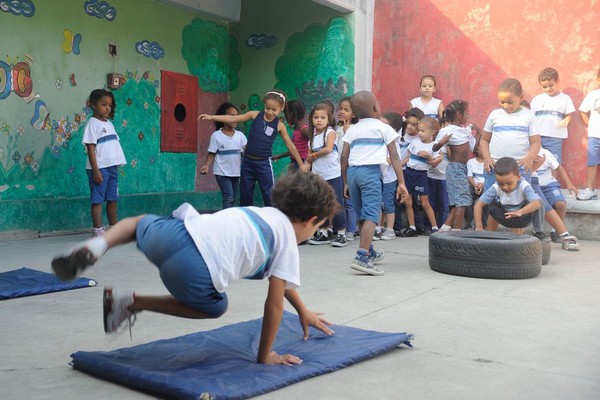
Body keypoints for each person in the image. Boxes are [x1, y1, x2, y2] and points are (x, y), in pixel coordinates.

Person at [51, 171, 338, 365]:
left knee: (137, 223)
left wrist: (303, 310)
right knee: (216, 306)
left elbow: (283, 283)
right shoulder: (287, 238)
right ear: (311, 220)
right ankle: (131, 303)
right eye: (319, 227)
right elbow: (274, 303)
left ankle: (96, 247)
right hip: (194, 271)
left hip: (178, 234)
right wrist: (266, 356)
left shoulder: (262, 213)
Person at [199, 90, 308, 207]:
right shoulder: (254, 115)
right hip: (248, 163)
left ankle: (271, 221)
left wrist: (301, 164)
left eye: (274, 110)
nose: (270, 112)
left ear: (281, 108)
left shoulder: (279, 125)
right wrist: (212, 117)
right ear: (264, 104)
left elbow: (291, 146)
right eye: (267, 108)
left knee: (269, 195)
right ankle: (246, 221)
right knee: (245, 196)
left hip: (264, 163)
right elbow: (233, 119)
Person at [340, 91, 408, 276]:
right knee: (372, 214)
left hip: (353, 173)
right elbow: (394, 156)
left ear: (353, 113)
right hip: (370, 173)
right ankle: (361, 257)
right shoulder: (383, 128)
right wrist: (401, 182)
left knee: (363, 214)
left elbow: (344, 157)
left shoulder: (352, 129)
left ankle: (369, 251)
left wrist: (345, 182)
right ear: (376, 108)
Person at [82, 89, 127, 237]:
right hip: (99, 169)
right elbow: (91, 147)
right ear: (93, 105)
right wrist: (96, 170)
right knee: (98, 200)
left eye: (110, 105)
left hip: (112, 168)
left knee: (112, 199)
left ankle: (114, 227)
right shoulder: (92, 124)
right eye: (103, 104)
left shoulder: (109, 124)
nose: (107, 107)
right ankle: (98, 230)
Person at [305, 103, 348, 247]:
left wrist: (313, 155)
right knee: (321, 204)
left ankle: (341, 233)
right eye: (316, 117)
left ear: (328, 119)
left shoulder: (330, 133)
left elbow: (328, 149)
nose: (318, 120)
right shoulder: (312, 137)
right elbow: (309, 158)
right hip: (318, 176)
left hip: (332, 174)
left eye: (322, 117)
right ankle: (323, 232)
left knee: (336, 203)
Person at [433, 100, 478, 230]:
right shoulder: (447, 130)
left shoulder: (464, 131)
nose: (468, 115)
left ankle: (445, 228)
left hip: (462, 169)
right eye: (466, 113)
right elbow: (435, 147)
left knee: (459, 201)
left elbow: (473, 148)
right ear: (459, 114)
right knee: (462, 202)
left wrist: (478, 134)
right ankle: (456, 232)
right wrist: (442, 142)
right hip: (455, 168)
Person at [474, 157, 541, 234]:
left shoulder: (524, 185)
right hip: (504, 215)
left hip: (521, 217)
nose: (505, 187)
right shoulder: (496, 187)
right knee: (488, 203)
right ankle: (486, 235)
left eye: (509, 183)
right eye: (501, 184)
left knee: (539, 201)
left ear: (518, 177)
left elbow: (536, 203)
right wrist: (478, 226)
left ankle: (538, 231)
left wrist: (520, 212)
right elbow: (478, 205)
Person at [199, 102, 247, 209]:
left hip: (235, 172)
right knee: (229, 197)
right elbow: (212, 152)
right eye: (231, 116)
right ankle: (226, 222)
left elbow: (246, 151)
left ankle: (227, 218)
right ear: (223, 118)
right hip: (222, 172)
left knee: (233, 197)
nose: (235, 119)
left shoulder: (240, 136)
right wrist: (206, 166)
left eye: (237, 116)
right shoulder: (216, 136)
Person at [401, 117, 440, 235]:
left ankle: (434, 227)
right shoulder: (414, 142)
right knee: (408, 201)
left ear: (432, 132)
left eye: (423, 131)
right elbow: (407, 157)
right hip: (409, 173)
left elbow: (433, 163)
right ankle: (412, 227)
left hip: (421, 175)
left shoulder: (434, 146)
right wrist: (397, 166)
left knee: (424, 202)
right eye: (420, 130)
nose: (420, 133)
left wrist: (428, 156)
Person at [530, 67, 575, 165]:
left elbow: (569, 114)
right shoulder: (537, 99)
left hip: (555, 137)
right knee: (537, 160)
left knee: (554, 163)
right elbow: (530, 117)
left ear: (558, 82)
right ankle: (537, 180)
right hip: (538, 137)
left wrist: (567, 120)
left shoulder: (565, 98)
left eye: (551, 85)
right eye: (544, 87)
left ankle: (553, 180)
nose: (548, 89)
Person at [534, 148, 579, 243]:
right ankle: (538, 231)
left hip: (549, 185)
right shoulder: (522, 154)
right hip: (533, 185)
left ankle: (556, 231)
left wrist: (569, 184)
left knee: (561, 204)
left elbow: (558, 168)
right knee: (538, 206)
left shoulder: (546, 153)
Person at [396, 108, 425, 237]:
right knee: (397, 199)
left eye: (414, 124)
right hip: (397, 171)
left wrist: (399, 165)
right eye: (408, 123)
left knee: (413, 199)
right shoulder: (399, 134)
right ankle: (397, 227)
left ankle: (418, 227)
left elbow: (409, 157)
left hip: (408, 171)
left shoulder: (419, 138)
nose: (410, 127)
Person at [377, 111, 404, 240]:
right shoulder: (378, 142)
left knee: (387, 203)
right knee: (377, 202)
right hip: (379, 177)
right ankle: (378, 227)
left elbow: (392, 160)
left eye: (383, 125)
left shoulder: (394, 143)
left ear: (392, 130)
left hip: (389, 179)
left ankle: (390, 230)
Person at [336, 97, 359, 240]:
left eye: (346, 109)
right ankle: (340, 228)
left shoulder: (354, 129)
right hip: (337, 169)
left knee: (349, 200)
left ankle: (352, 229)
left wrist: (347, 131)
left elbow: (353, 147)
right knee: (340, 200)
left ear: (354, 114)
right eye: (340, 108)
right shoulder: (337, 129)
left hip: (349, 169)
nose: (342, 112)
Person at [577, 68, 600, 201]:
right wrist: (589, 125)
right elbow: (583, 111)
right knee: (592, 163)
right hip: (595, 135)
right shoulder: (593, 95)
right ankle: (589, 189)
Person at [271, 99, 309, 171]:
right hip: (295, 163)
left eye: (286, 115)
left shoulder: (304, 130)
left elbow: (315, 146)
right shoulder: (296, 130)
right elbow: (294, 150)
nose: (285, 117)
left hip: (302, 164)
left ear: (291, 114)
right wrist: (278, 156)